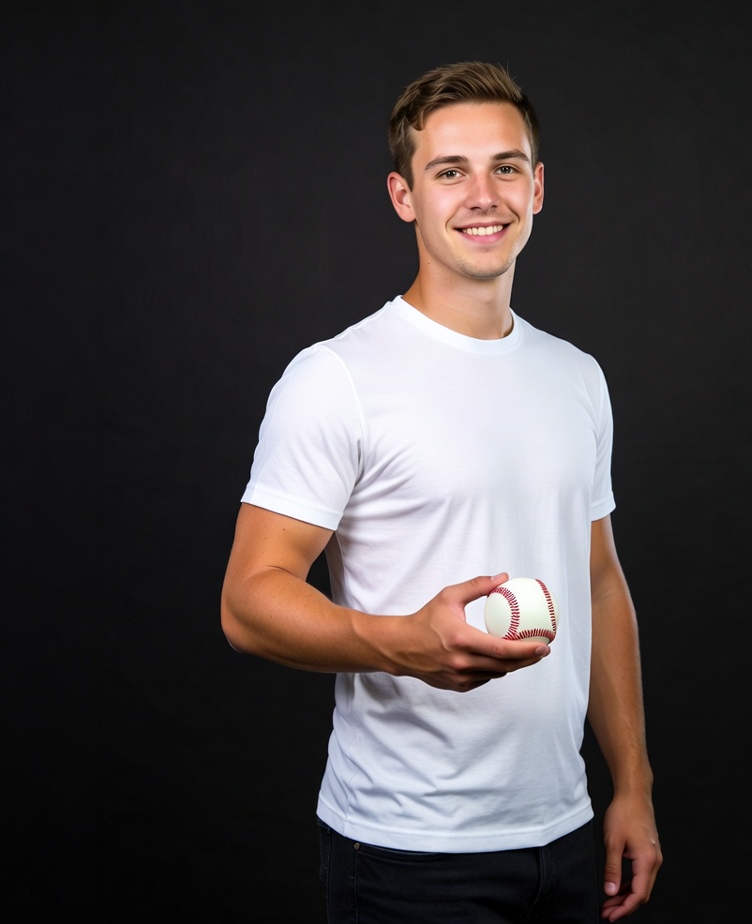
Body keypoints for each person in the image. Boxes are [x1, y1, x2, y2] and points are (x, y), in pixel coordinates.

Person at [221, 60, 662, 922]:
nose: (483, 194)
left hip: (564, 834)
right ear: (403, 195)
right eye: (449, 171)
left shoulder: (576, 375)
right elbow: (247, 602)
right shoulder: (337, 377)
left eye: (505, 167)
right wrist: (404, 642)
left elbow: (599, 581)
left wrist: (633, 786)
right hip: (405, 853)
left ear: (538, 188)